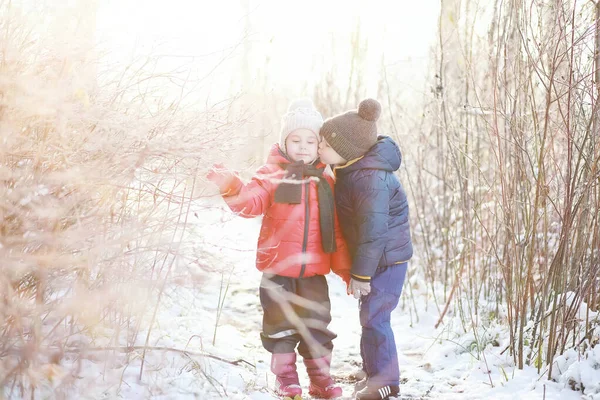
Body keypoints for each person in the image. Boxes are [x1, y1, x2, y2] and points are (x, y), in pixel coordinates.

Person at [206, 98, 351, 399]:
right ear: (284, 142)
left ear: (319, 145)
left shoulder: (326, 180)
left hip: (313, 274)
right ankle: (285, 379)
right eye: (295, 139)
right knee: (280, 327)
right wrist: (230, 185)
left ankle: (320, 380)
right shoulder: (272, 174)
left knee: (317, 327)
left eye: (310, 140)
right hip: (277, 271)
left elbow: (336, 232)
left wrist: (348, 270)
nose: (302, 146)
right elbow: (249, 202)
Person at [317, 98, 413, 400]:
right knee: (368, 315)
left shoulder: (370, 179)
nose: (319, 148)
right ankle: (372, 370)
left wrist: (360, 273)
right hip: (377, 258)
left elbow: (373, 231)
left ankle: (385, 381)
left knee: (375, 317)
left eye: (324, 144)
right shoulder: (352, 170)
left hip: (387, 260)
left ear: (345, 150)